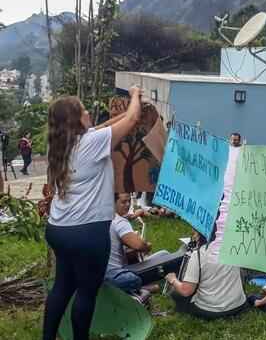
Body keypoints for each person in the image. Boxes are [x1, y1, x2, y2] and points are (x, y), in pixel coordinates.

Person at [42, 87, 143, 340]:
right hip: (87, 232)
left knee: (62, 287)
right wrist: (135, 94)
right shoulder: (92, 142)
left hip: (59, 229)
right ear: (76, 119)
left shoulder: (61, 145)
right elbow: (131, 120)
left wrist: (119, 115)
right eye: (84, 110)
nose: (89, 112)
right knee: (87, 292)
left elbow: (107, 125)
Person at [163, 232, 247, 320]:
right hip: (239, 305)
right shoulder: (234, 244)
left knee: (175, 293)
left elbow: (186, 291)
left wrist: (172, 279)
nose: (193, 234)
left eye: (195, 232)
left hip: (211, 311)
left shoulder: (198, 254)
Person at [105, 193, 152, 294]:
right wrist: (147, 246)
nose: (127, 205)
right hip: (114, 274)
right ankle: (145, 289)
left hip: (96, 272)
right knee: (134, 280)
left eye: (129, 201)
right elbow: (139, 245)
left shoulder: (102, 216)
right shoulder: (119, 222)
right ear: (113, 202)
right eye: (123, 202)